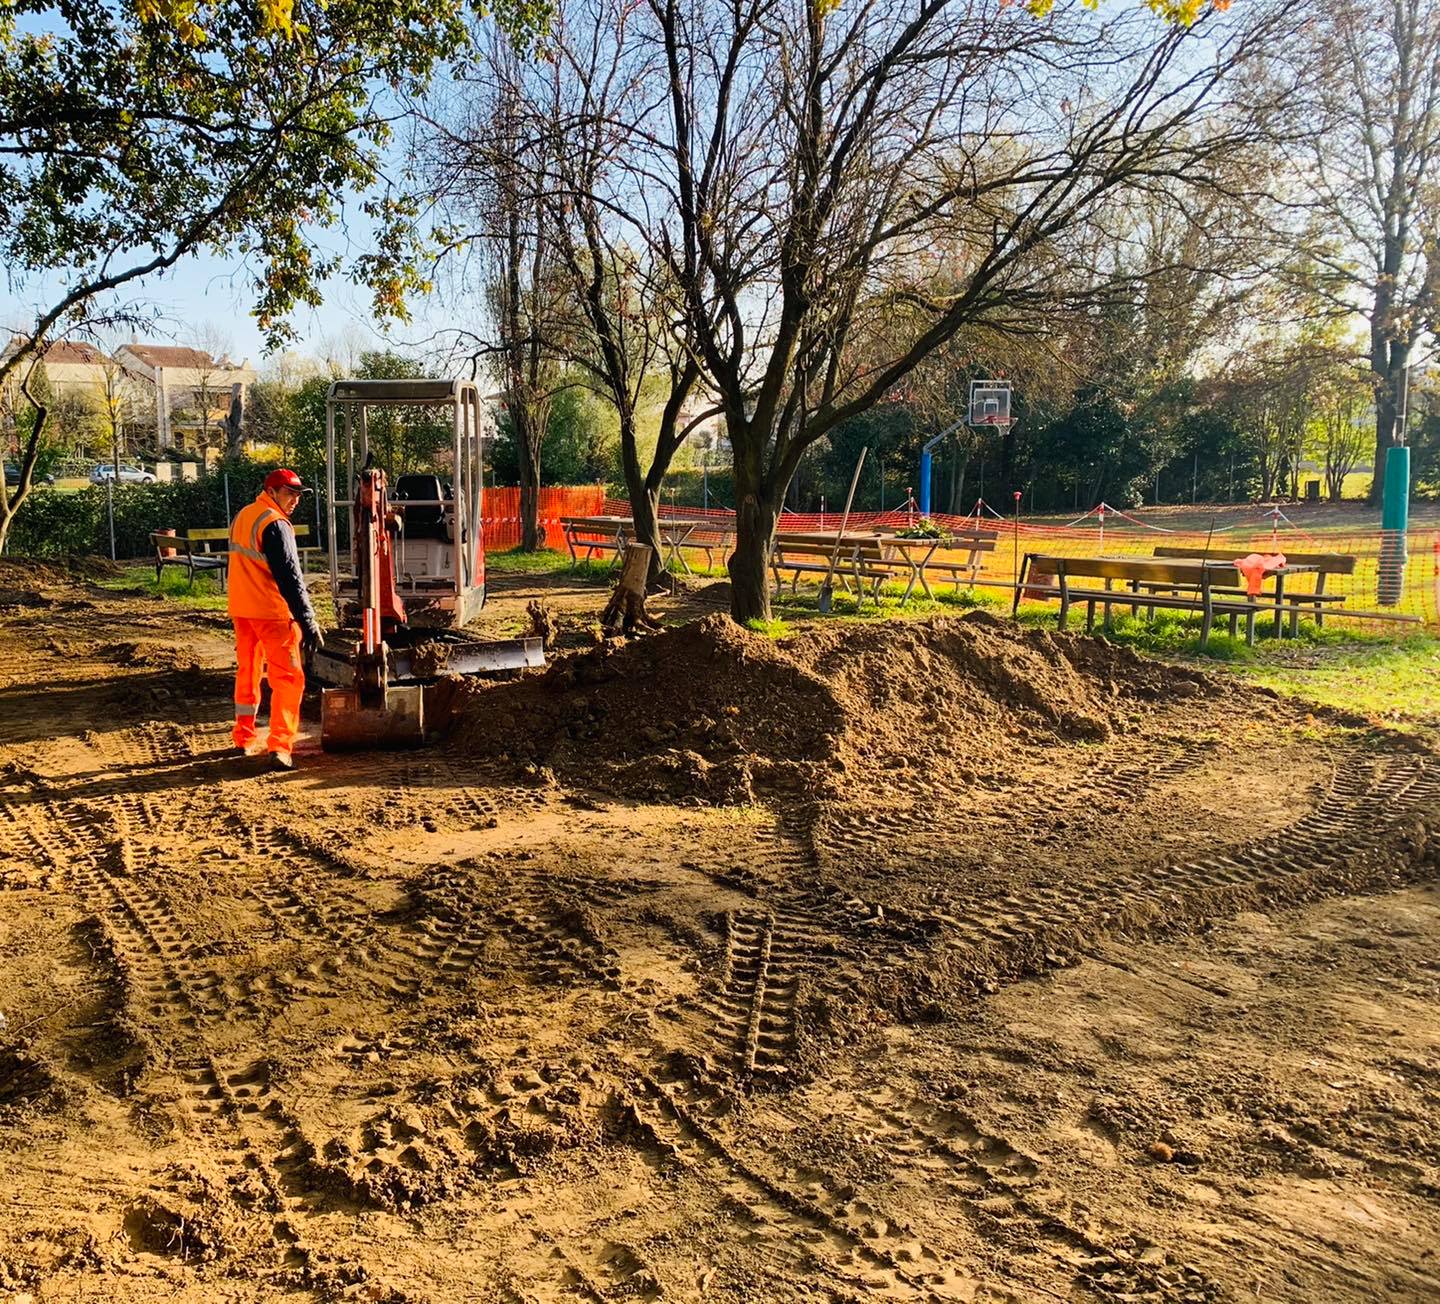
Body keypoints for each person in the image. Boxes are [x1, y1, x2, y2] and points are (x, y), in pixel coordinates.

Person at [227, 468, 324, 770]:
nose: (295, 500)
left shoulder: (245, 514)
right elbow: (290, 578)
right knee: (288, 679)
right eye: (289, 493)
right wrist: (307, 620)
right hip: (271, 614)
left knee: (248, 674)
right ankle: (281, 746)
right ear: (271, 492)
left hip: (243, 610)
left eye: (297, 494)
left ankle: (243, 737)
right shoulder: (275, 523)